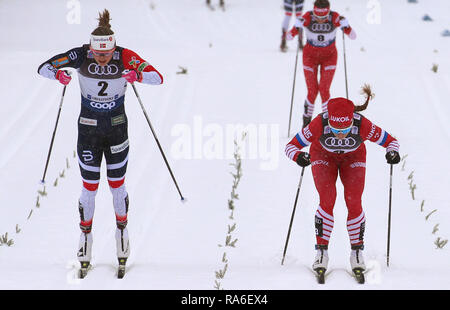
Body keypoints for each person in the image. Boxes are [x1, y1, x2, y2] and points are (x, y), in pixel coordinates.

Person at [37, 9, 163, 277]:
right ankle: (84, 243)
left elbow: (158, 77)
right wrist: (58, 75)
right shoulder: (80, 54)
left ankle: (122, 238)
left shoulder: (125, 56)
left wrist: (136, 75)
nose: (103, 59)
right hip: (88, 131)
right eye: (98, 54)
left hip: (117, 130)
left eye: (107, 54)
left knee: (117, 186)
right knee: (89, 188)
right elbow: (44, 67)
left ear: (114, 47)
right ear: (92, 48)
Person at [284, 88, 400, 275]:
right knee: (327, 198)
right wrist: (298, 156)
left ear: (351, 121)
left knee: (354, 201)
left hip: (353, 159)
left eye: (345, 130)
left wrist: (392, 153)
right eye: (336, 130)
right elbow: (290, 146)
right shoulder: (319, 123)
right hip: (323, 157)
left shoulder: (362, 124)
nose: (340, 135)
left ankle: (356, 252)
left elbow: (391, 141)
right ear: (328, 121)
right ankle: (321, 252)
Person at [286, 0, 356, 128]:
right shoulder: (307, 17)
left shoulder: (334, 17)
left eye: (324, 17)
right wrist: (296, 27)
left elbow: (353, 36)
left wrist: (346, 26)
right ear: (314, 13)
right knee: (312, 91)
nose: (320, 20)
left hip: (329, 57)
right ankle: (306, 124)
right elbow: (289, 37)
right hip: (310, 58)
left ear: (328, 13)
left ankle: (327, 123)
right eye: (318, 17)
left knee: (324, 90)